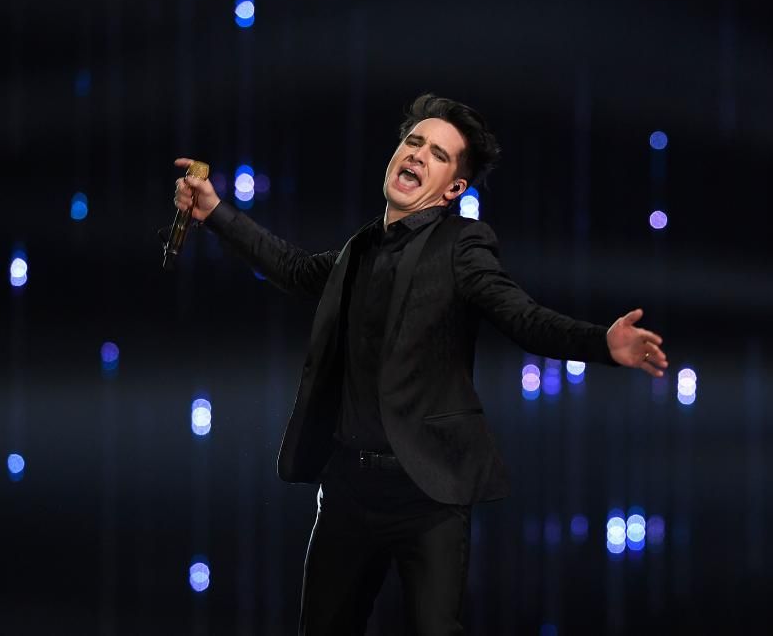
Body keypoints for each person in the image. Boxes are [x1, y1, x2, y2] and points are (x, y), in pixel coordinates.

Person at [172, 94, 668, 635]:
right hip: (348, 491)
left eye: (436, 153)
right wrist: (215, 213)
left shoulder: (463, 246)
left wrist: (603, 344)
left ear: (454, 189)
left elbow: (523, 318)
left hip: (427, 493)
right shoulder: (359, 249)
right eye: (412, 142)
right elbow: (291, 267)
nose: (416, 155)